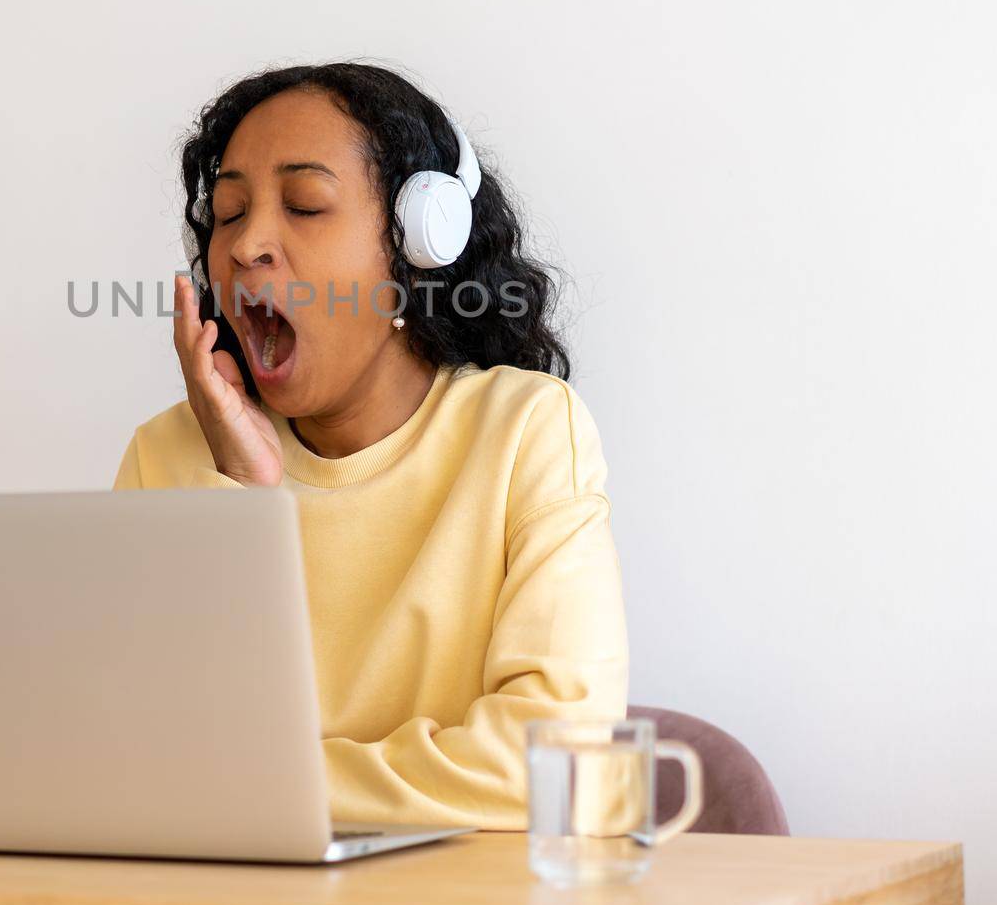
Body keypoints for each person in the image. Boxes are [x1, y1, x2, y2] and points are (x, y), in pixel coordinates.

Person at [113, 61, 628, 829]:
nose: (249, 242)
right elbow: (126, 758)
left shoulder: (526, 433)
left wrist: (253, 788)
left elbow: (557, 767)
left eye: (306, 204)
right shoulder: (171, 456)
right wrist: (242, 495)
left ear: (417, 246)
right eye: (227, 212)